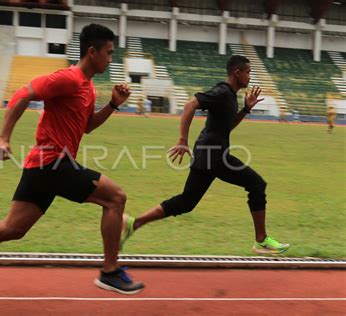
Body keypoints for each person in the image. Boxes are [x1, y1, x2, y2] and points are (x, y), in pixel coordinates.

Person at [0, 24, 144, 295]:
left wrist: (113, 105)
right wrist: (3, 137)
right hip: (53, 162)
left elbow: (87, 127)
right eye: (108, 53)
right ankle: (110, 272)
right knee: (115, 198)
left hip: (43, 166)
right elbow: (23, 93)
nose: (110, 59)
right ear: (91, 51)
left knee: (13, 228)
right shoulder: (68, 78)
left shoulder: (88, 87)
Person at [120, 55, 290, 255]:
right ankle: (261, 240)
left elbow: (227, 127)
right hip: (215, 155)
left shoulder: (230, 96)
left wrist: (245, 110)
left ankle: (134, 223)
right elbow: (190, 105)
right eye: (248, 72)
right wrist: (182, 139)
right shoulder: (222, 92)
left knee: (186, 202)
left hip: (206, 154)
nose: (250, 77)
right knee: (256, 184)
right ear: (237, 72)